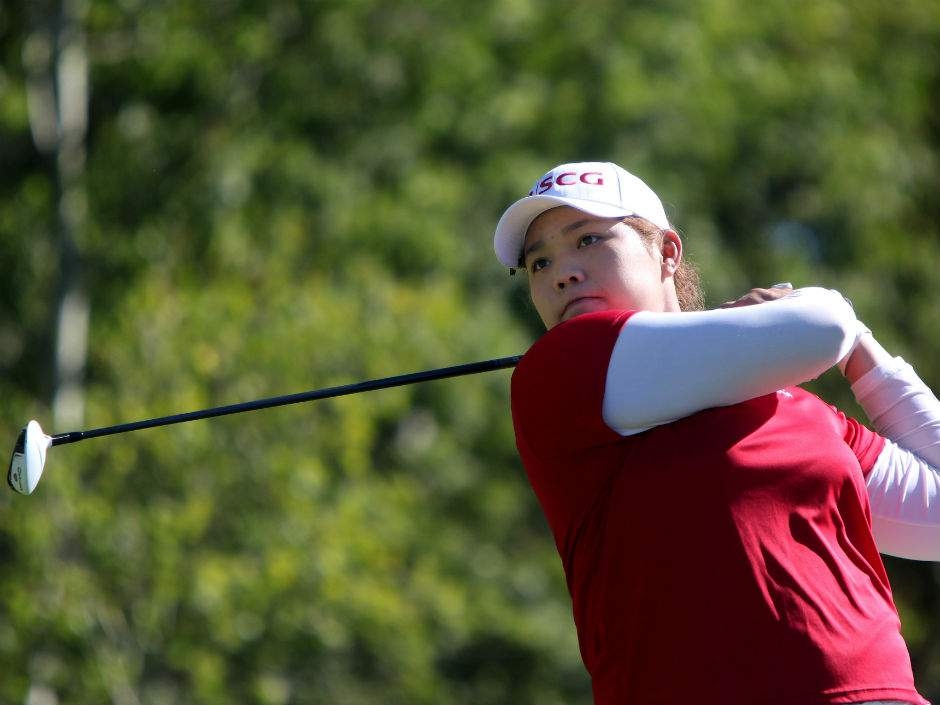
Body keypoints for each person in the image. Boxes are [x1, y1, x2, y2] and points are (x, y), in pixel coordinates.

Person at [492, 161, 940, 705]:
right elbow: (821, 327)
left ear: (667, 252)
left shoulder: (794, 404)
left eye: (588, 239)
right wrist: (834, 311)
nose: (562, 273)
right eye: (539, 262)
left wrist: (863, 347)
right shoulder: (561, 368)